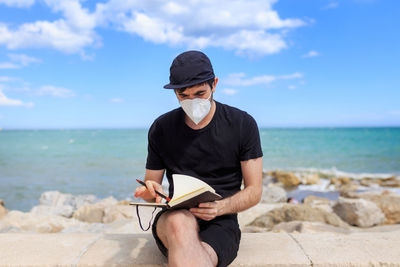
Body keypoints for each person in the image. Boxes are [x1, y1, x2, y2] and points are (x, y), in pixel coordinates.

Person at [134, 50, 263, 267]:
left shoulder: (242, 124)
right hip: (175, 216)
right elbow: (152, 187)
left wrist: (220, 208)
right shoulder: (161, 128)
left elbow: (254, 191)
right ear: (175, 93)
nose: (192, 101)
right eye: (183, 96)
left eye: (200, 93)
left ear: (214, 84)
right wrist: (150, 192)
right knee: (178, 222)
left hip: (221, 220)